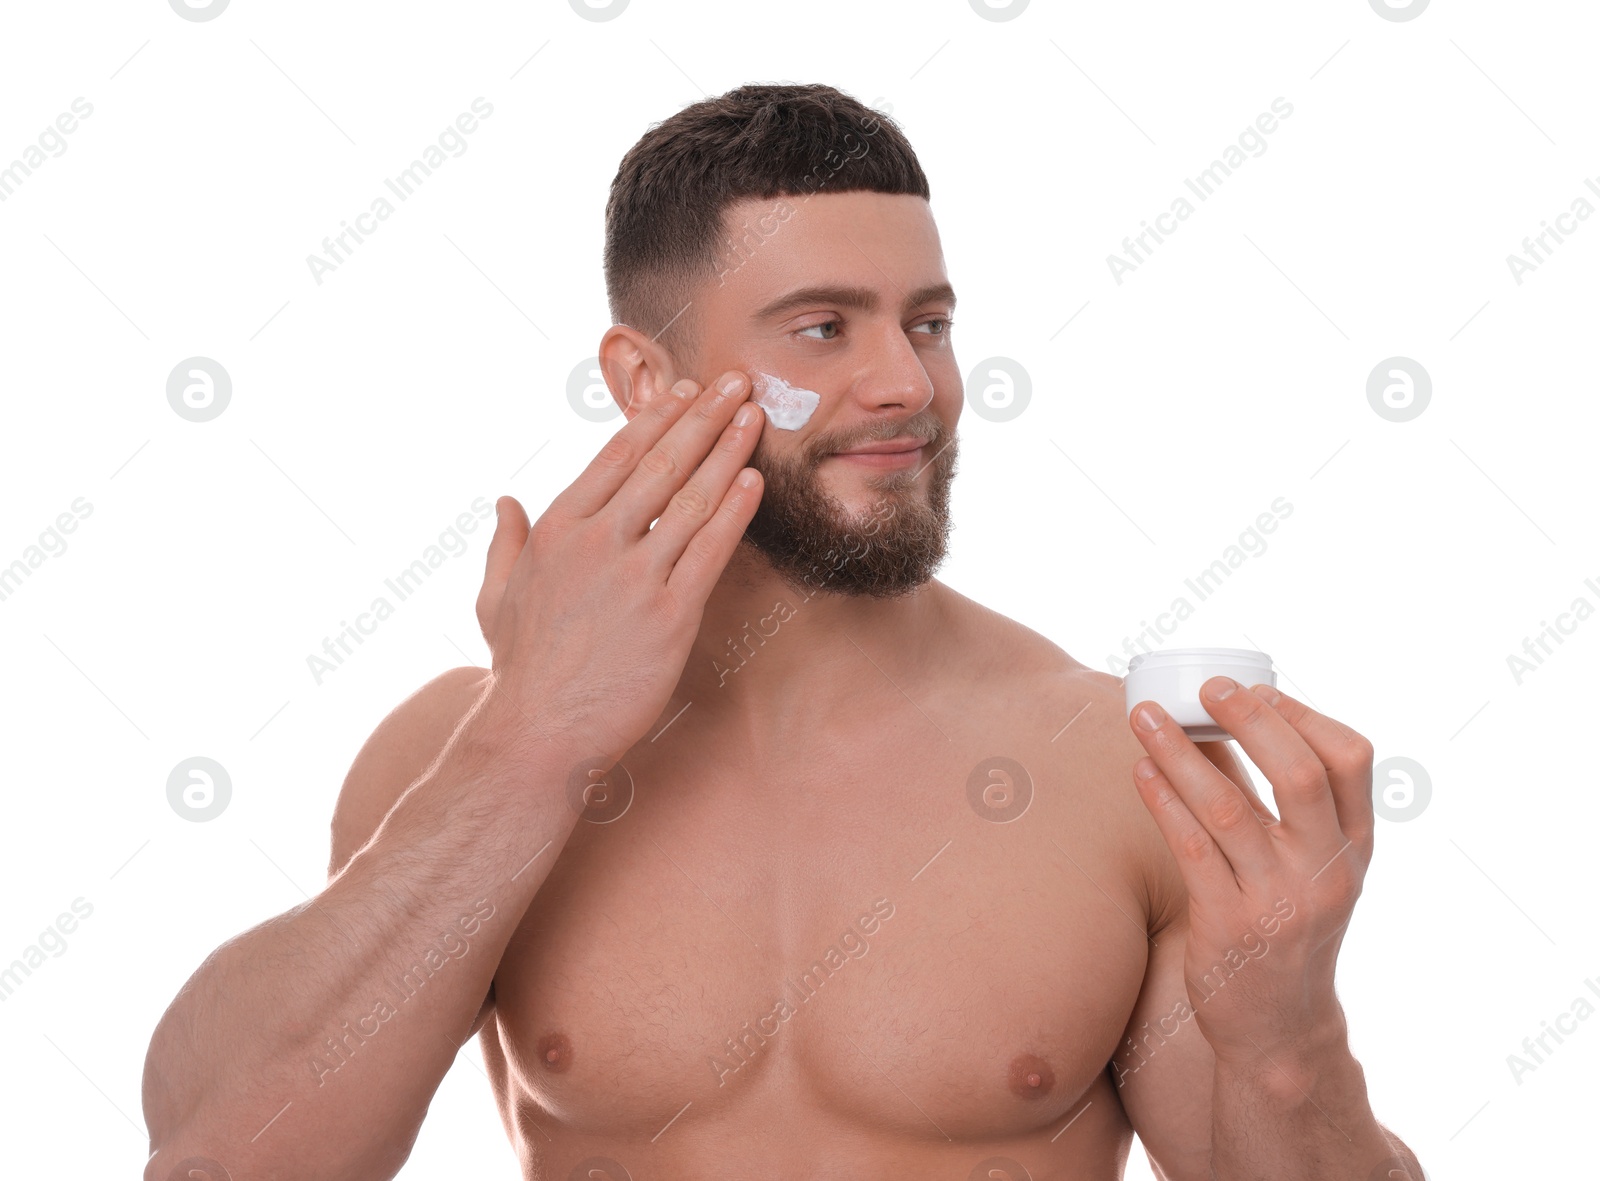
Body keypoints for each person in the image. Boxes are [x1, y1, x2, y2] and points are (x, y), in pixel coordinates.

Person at [141, 83, 1424, 1181]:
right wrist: (531, 736)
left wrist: (1286, 1033)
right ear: (646, 381)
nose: (908, 385)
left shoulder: (1113, 764)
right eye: (825, 326)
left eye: (928, 322)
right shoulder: (462, 750)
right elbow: (217, 1151)